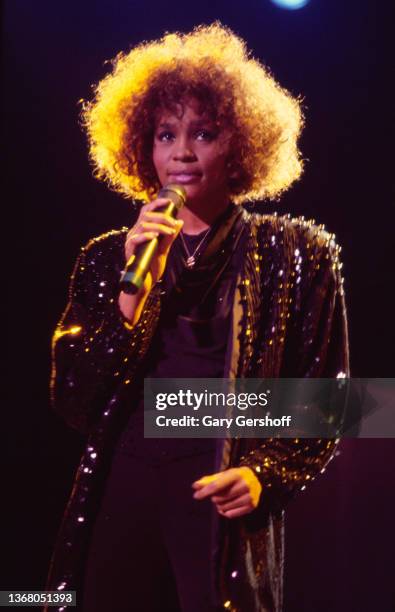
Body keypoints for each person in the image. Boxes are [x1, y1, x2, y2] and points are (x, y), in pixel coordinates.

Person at [45, 23, 349, 612]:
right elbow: (73, 399)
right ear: (142, 147)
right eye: (165, 134)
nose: (181, 151)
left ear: (240, 145)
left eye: (203, 133)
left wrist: (265, 473)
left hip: (215, 483)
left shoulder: (298, 253)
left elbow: (335, 402)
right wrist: (131, 294)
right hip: (125, 480)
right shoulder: (109, 256)